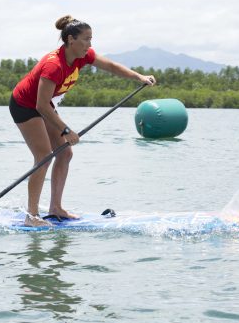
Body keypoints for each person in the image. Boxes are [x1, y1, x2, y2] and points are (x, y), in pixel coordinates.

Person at [9, 15, 156, 227]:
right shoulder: (54, 65)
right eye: (86, 39)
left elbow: (112, 66)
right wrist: (66, 129)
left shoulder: (83, 56)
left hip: (44, 106)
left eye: (91, 39)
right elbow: (40, 106)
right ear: (70, 40)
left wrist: (139, 77)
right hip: (25, 105)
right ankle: (31, 217)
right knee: (44, 156)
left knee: (65, 153)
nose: (90, 44)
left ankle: (55, 208)